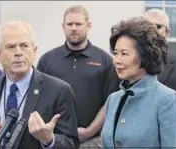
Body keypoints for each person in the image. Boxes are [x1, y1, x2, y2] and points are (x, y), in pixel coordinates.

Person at [0, 20, 79, 149]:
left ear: (34, 51)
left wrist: (49, 140)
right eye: (10, 47)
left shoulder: (59, 91)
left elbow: (71, 144)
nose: (18, 52)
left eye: (24, 45)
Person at [37, 5, 119, 148]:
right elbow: (39, 99)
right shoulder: (47, 60)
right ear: (63, 26)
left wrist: (89, 131)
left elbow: (111, 102)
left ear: (88, 26)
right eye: (69, 24)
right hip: (55, 140)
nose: (74, 28)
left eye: (78, 24)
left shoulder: (105, 60)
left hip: (92, 141)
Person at [101, 16, 176, 148]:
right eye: (116, 53)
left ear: (146, 55)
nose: (117, 60)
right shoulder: (113, 99)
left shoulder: (169, 100)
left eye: (124, 53)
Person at [144, 9, 176, 131]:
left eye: (157, 26)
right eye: (147, 27)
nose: (152, 31)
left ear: (167, 32)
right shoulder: (129, 63)